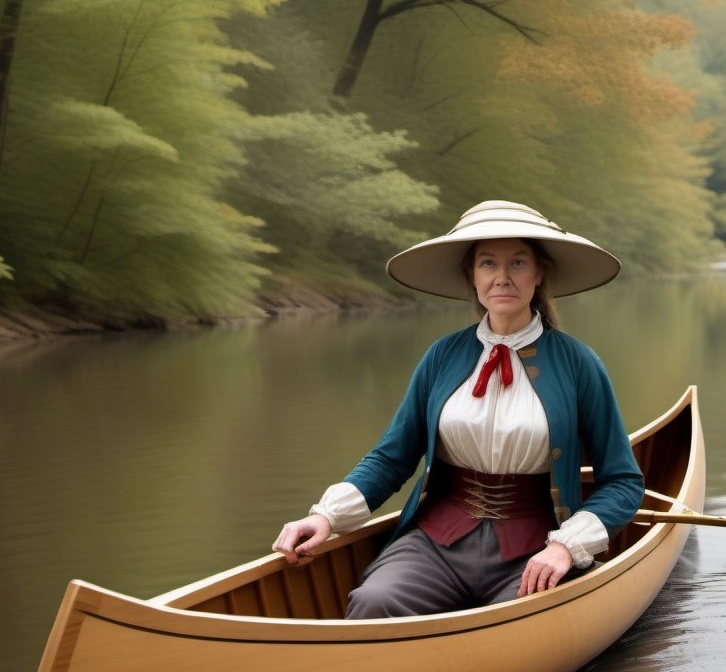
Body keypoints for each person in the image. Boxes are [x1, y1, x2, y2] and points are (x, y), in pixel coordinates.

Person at [273, 200, 645, 618]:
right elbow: (391, 458)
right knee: (374, 603)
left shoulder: (578, 363)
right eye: (488, 263)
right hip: (436, 542)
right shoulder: (442, 355)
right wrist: (326, 516)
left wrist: (565, 547)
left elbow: (623, 482)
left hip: (537, 546)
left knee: (513, 623)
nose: (502, 277)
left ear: (539, 274)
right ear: (472, 275)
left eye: (518, 262)